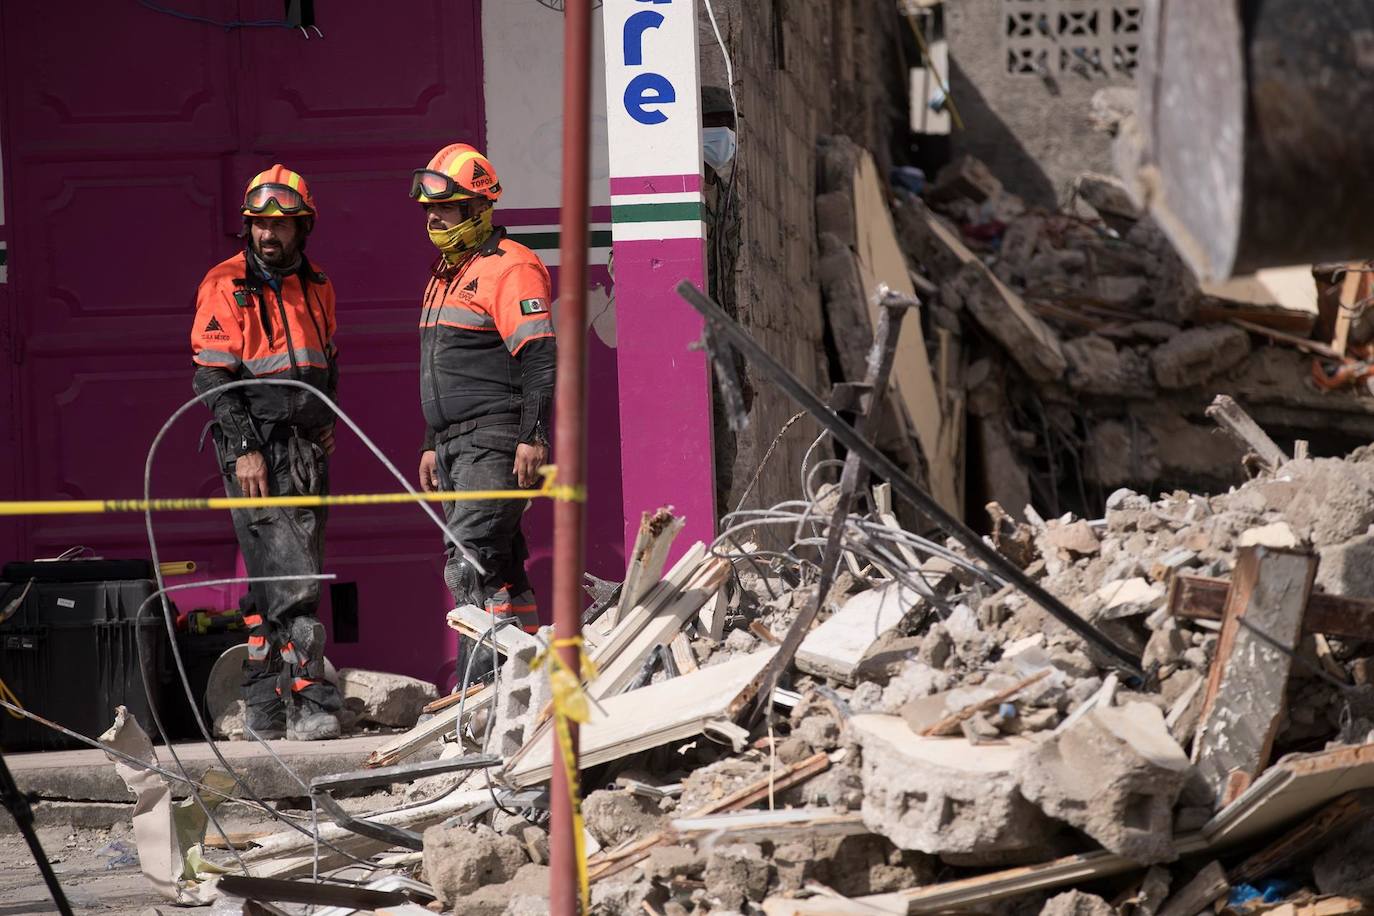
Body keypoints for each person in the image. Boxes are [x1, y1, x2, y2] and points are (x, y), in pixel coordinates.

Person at [190, 165, 344, 740]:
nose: (267, 236)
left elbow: (327, 359)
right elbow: (211, 379)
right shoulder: (224, 284)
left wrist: (325, 419)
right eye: (258, 225)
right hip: (257, 451)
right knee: (294, 577)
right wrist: (247, 447)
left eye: (280, 225)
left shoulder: (317, 284)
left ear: (303, 227)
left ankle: (262, 707)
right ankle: (312, 704)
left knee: (273, 577)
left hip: (304, 449)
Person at [411, 143, 556, 658]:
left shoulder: (510, 268)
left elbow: (539, 356)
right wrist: (433, 441)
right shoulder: (446, 272)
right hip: (454, 444)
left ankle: (482, 684)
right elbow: (442, 369)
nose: (433, 218)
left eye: (445, 207)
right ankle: (527, 671)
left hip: (493, 439)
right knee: (500, 565)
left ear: (478, 208)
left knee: (468, 557)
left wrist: (533, 436)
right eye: (429, 208)